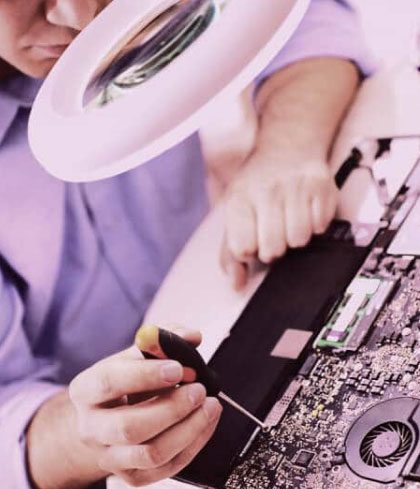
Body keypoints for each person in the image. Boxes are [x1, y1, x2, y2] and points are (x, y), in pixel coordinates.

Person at [0, 1, 371, 488]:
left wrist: (284, 147)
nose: (77, 16)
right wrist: (88, 436)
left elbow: (303, 14)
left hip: (234, 300)